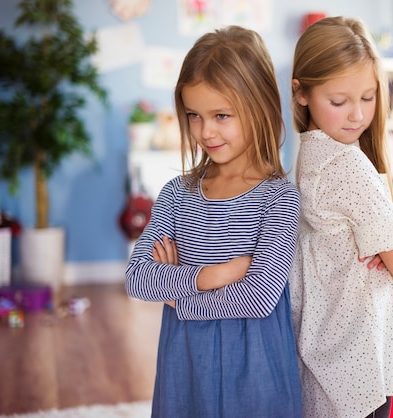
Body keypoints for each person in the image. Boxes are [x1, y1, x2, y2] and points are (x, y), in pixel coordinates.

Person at [125, 25, 302, 418]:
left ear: (261, 108)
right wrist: (214, 275)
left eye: (222, 115)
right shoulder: (176, 193)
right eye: (194, 116)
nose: (206, 131)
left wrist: (176, 295)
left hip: (256, 374)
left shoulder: (279, 198)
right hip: (185, 366)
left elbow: (259, 297)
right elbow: (137, 276)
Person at [289, 16, 393, 418]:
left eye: (368, 97)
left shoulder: (310, 152)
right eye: (339, 101)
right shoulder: (349, 164)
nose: (357, 115)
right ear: (301, 93)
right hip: (359, 351)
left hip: (328, 342)